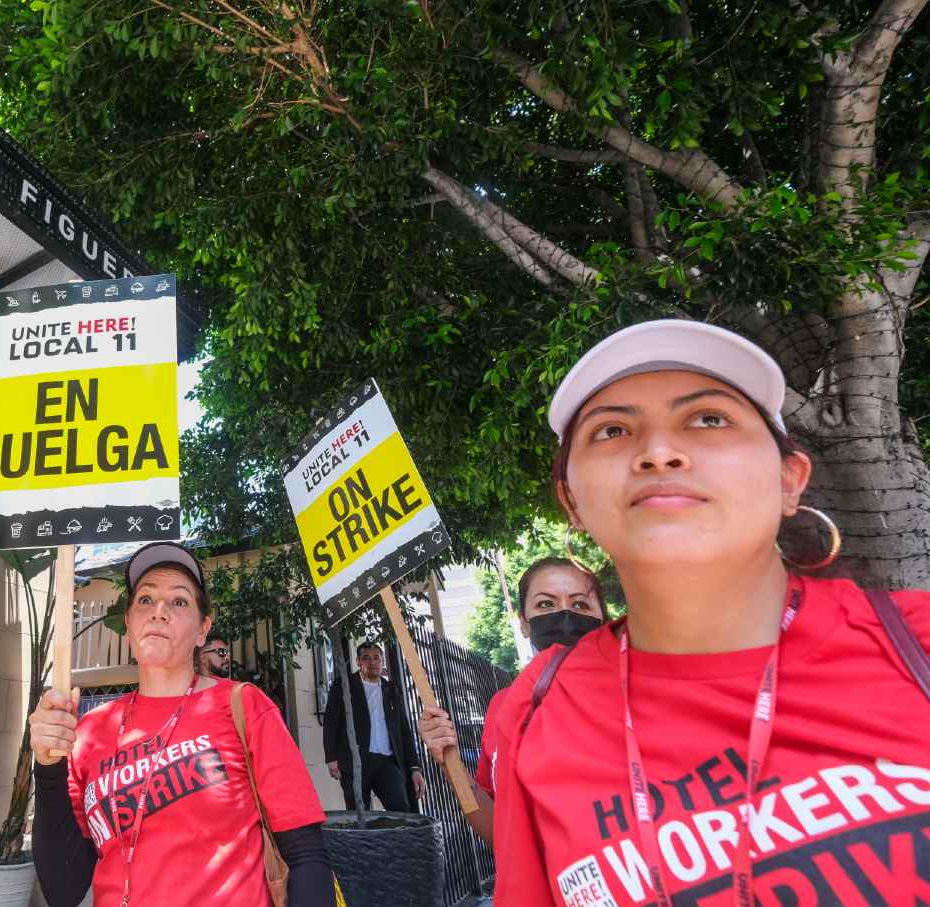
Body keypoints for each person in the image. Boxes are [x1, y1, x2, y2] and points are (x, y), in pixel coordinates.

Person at [419, 320, 930, 905]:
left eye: (709, 419)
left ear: (791, 480)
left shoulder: (915, 643)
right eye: (612, 430)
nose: (658, 452)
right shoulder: (535, 712)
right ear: (572, 502)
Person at [28, 541, 334, 906]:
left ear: (203, 629)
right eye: (145, 600)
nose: (158, 611)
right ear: (128, 624)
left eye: (179, 601)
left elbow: (305, 856)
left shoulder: (245, 706)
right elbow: (63, 889)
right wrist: (47, 767)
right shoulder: (89, 730)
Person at [424, 558, 606, 842]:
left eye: (580, 604)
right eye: (546, 604)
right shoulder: (503, 707)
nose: (565, 616)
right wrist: (449, 762)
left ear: (602, 618)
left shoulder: (638, 694)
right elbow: (502, 837)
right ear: (523, 623)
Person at [323, 642, 427, 812]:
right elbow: (331, 722)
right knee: (359, 814)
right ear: (358, 661)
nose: (372, 662)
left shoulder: (391, 689)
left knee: (400, 808)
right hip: (354, 761)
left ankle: (399, 839)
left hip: (386, 761)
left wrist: (414, 767)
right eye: (366, 658)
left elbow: (404, 730)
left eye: (376, 658)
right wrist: (331, 757)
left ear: (382, 661)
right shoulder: (344, 686)